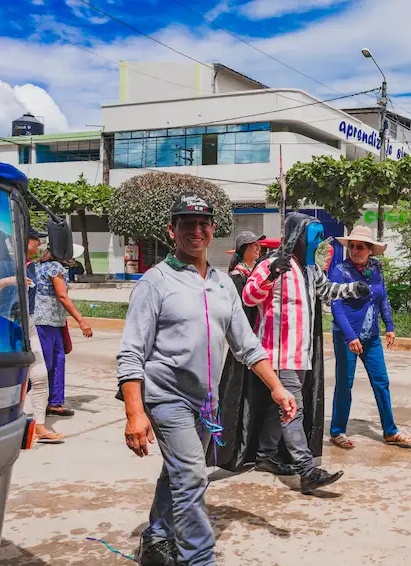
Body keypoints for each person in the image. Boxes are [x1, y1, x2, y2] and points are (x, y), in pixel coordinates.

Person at [116, 192, 297, 566]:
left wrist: (277, 387)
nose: (196, 230)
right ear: (172, 230)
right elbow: (131, 352)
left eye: (202, 224)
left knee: (179, 473)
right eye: (187, 224)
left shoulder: (222, 284)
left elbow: (246, 344)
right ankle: (199, 559)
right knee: (192, 478)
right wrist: (135, 413)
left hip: (205, 403)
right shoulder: (155, 282)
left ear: (213, 231)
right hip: (167, 398)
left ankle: (156, 540)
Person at [242, 212, 369, 494]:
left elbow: (327, 292)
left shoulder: (311, 270)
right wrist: (272, 273)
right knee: (292, 408)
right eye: (313, 236)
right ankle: (306, 469)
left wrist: (353, 289)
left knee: (282, 409)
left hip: (301, 354)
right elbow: (249, 296)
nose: (318, 242)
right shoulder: (271, 264)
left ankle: (265, 456)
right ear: (297, 237)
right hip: (276, 354)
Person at [328, 225, 411, 450]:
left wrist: (390, 325)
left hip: (371, 337)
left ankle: (390, 431)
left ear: (370, 250)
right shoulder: (340, 270)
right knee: (345, 384)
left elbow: (382, 298)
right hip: (347, 337)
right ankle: (337, 431)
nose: (355, 250)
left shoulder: (376, 268)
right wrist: (349, 337)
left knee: (381, 381)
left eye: (360, 247)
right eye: (352, 246)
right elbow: (335, 306)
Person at [0, 227, 63, 442]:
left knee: (40, 376)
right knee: (1, 380)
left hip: (28, 325)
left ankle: (39, 426)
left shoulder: (33, 267)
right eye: (37, 241)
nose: (40, 246)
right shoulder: (0, 265)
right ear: (25, 242)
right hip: (2, 326)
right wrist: (5, 282)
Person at [34, 246, 94, 417]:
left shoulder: (39, 266)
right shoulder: (55, 267)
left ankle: (55, 402)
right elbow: (62, 296)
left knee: (56, 361)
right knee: (47, 363)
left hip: (51, 321)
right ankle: (24, 395)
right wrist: (81, 321)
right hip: (46, 320)